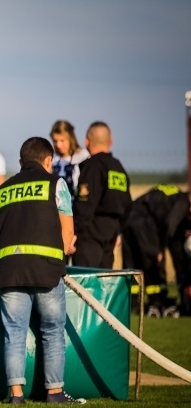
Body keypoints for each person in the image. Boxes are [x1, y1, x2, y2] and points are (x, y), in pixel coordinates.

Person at [0, 136, 85, 404]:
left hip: (9, 270)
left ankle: (16, 394)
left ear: (21, 162)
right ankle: (54, 392)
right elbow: (67, 230)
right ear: (48, 160)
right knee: (53, 330)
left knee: (14, 332)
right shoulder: (56, 183)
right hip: (47, 269)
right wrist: (65, 251)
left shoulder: (2, 190)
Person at [122, 185, 190, 318]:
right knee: (152, 265)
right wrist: (160, 248)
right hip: (145, 223)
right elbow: (170, 224)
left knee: (131, 264)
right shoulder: (183, 201)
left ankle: (131, 303)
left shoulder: (171, 192)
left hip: (129, 219)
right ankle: (158, 301)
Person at [73, 121, 132, 269]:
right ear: (110, 142)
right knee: (104, 278)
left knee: (86, 279)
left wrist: (74, 232)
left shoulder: (93, 166)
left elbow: (84, 205)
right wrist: (119, 232)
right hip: (112, 233)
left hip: (90, 234)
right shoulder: (118, 167)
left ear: (87, 141)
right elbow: (128, 204)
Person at [50, 120, 89, 198]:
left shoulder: (83, 157)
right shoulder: (50, 158)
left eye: (62, 141)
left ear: (71, 138)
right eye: (55, 141)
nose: (58, 145)